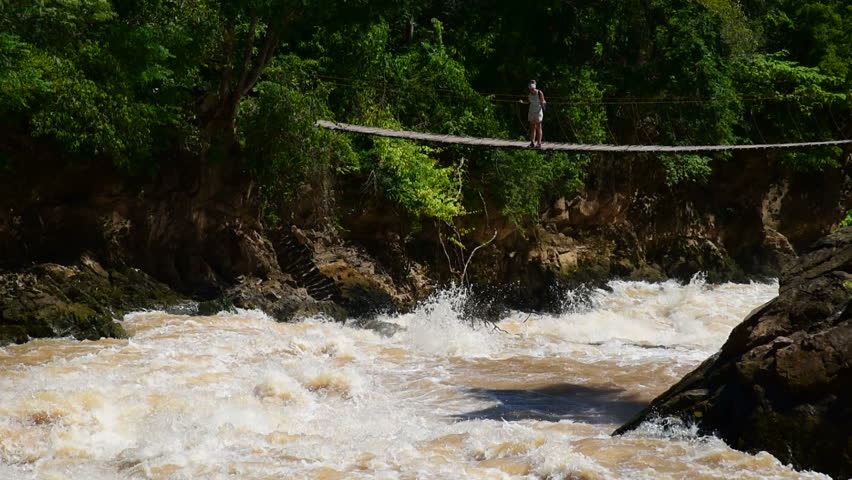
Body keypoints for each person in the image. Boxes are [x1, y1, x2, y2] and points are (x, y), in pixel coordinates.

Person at [519, 80, 546, 148]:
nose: (532, 90)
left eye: (533, 89)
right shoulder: (530, 94)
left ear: (535, 88)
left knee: (539, 127)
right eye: (531, 89)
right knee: (532, 127)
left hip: (538, 111)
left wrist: (543, 103)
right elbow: (529, 102)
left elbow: (543, 101)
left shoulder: (539, 93)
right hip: (531, 111)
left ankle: (539, 143)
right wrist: (522, 102)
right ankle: (532, 142)